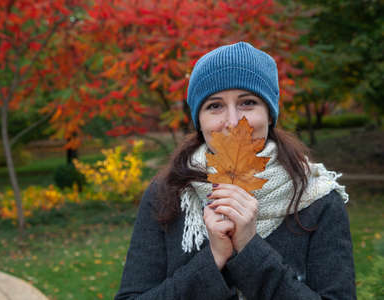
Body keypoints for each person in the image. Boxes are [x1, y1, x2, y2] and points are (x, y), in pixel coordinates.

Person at [115, 42, 356, 299]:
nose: (232, 122)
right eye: (215, 106)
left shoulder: (317, 197)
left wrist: (249, 248)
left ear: (270, 114)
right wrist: (214, 257)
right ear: (200, 121)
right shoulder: (168, 193)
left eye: (248, 102)